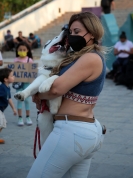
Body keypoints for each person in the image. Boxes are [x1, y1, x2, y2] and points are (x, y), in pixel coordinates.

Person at [26, 12, 107, 178]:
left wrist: (39, 95)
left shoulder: (90, 58)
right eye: (70, 32)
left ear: (92, 33)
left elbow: (56, 89)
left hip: (72, 131)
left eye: (77, 31)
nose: (72, 36)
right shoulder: (81, 57)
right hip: (82, 131)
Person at [14, 42, 33, 126]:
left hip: (27, 84)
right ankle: (20, 117)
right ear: (17, 50)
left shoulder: (30, 60)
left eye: (24, 50)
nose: (22, 51)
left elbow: (32, 72)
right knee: (19, 100)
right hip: (19, 84)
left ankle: (28, 117)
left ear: (27, 50)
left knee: (27, 100)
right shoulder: (15, 60)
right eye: (20, 50)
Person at [0, 68, 17, 144]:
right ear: (6, 79)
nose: (14, 77)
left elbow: (9, 98)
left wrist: (13, 108)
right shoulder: (1, 88)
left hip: (2, 110)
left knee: (3, 124)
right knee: (0, 123)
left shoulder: (7, 88)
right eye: (12, 76)